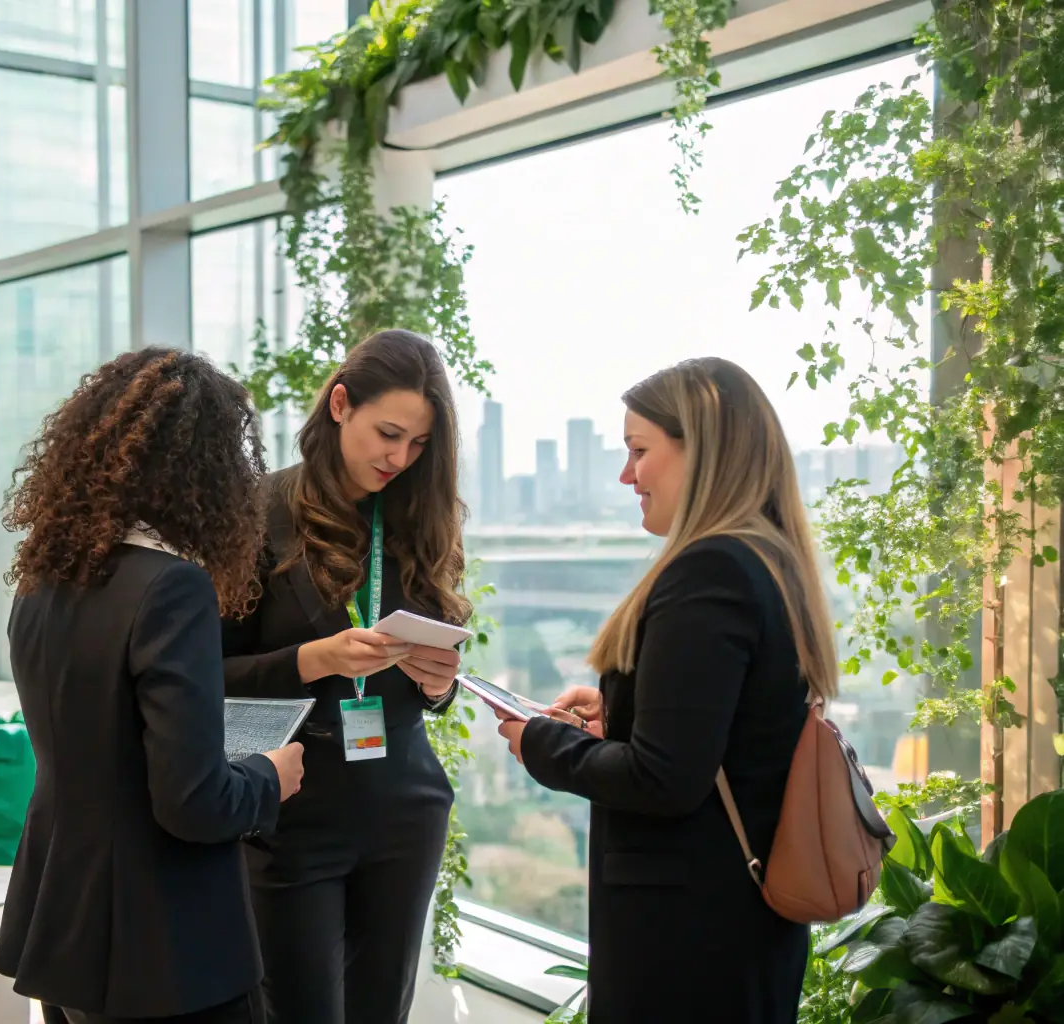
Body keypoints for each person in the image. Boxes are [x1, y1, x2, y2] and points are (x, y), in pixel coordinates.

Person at [496, 357, 827, 1023]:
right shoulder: (766, 560)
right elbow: (730, 733)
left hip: (684, 941)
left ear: (699, 451)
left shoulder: (709, 571)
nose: (626, 476)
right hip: (737, 925)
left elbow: (663, 780)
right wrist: (622, 715)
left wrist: (539, 741)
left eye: (638, 451)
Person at [0, 347, 305, 1024]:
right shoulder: (171, 588)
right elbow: (193, 804)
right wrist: (267, 776)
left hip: (65, 920)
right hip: (162, 943)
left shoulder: (43, 581)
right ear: (206, 470)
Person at [221, 329, 470, 1024]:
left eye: (419, 444)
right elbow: (203, 677)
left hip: (403, 799)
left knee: (382, 1011)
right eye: (388, 433)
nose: (400, 457)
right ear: (339, 405)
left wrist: (437, 682)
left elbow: (439, 684)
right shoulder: (257, 511)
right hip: (294, 804)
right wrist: (316, 659)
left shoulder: (420, 515)